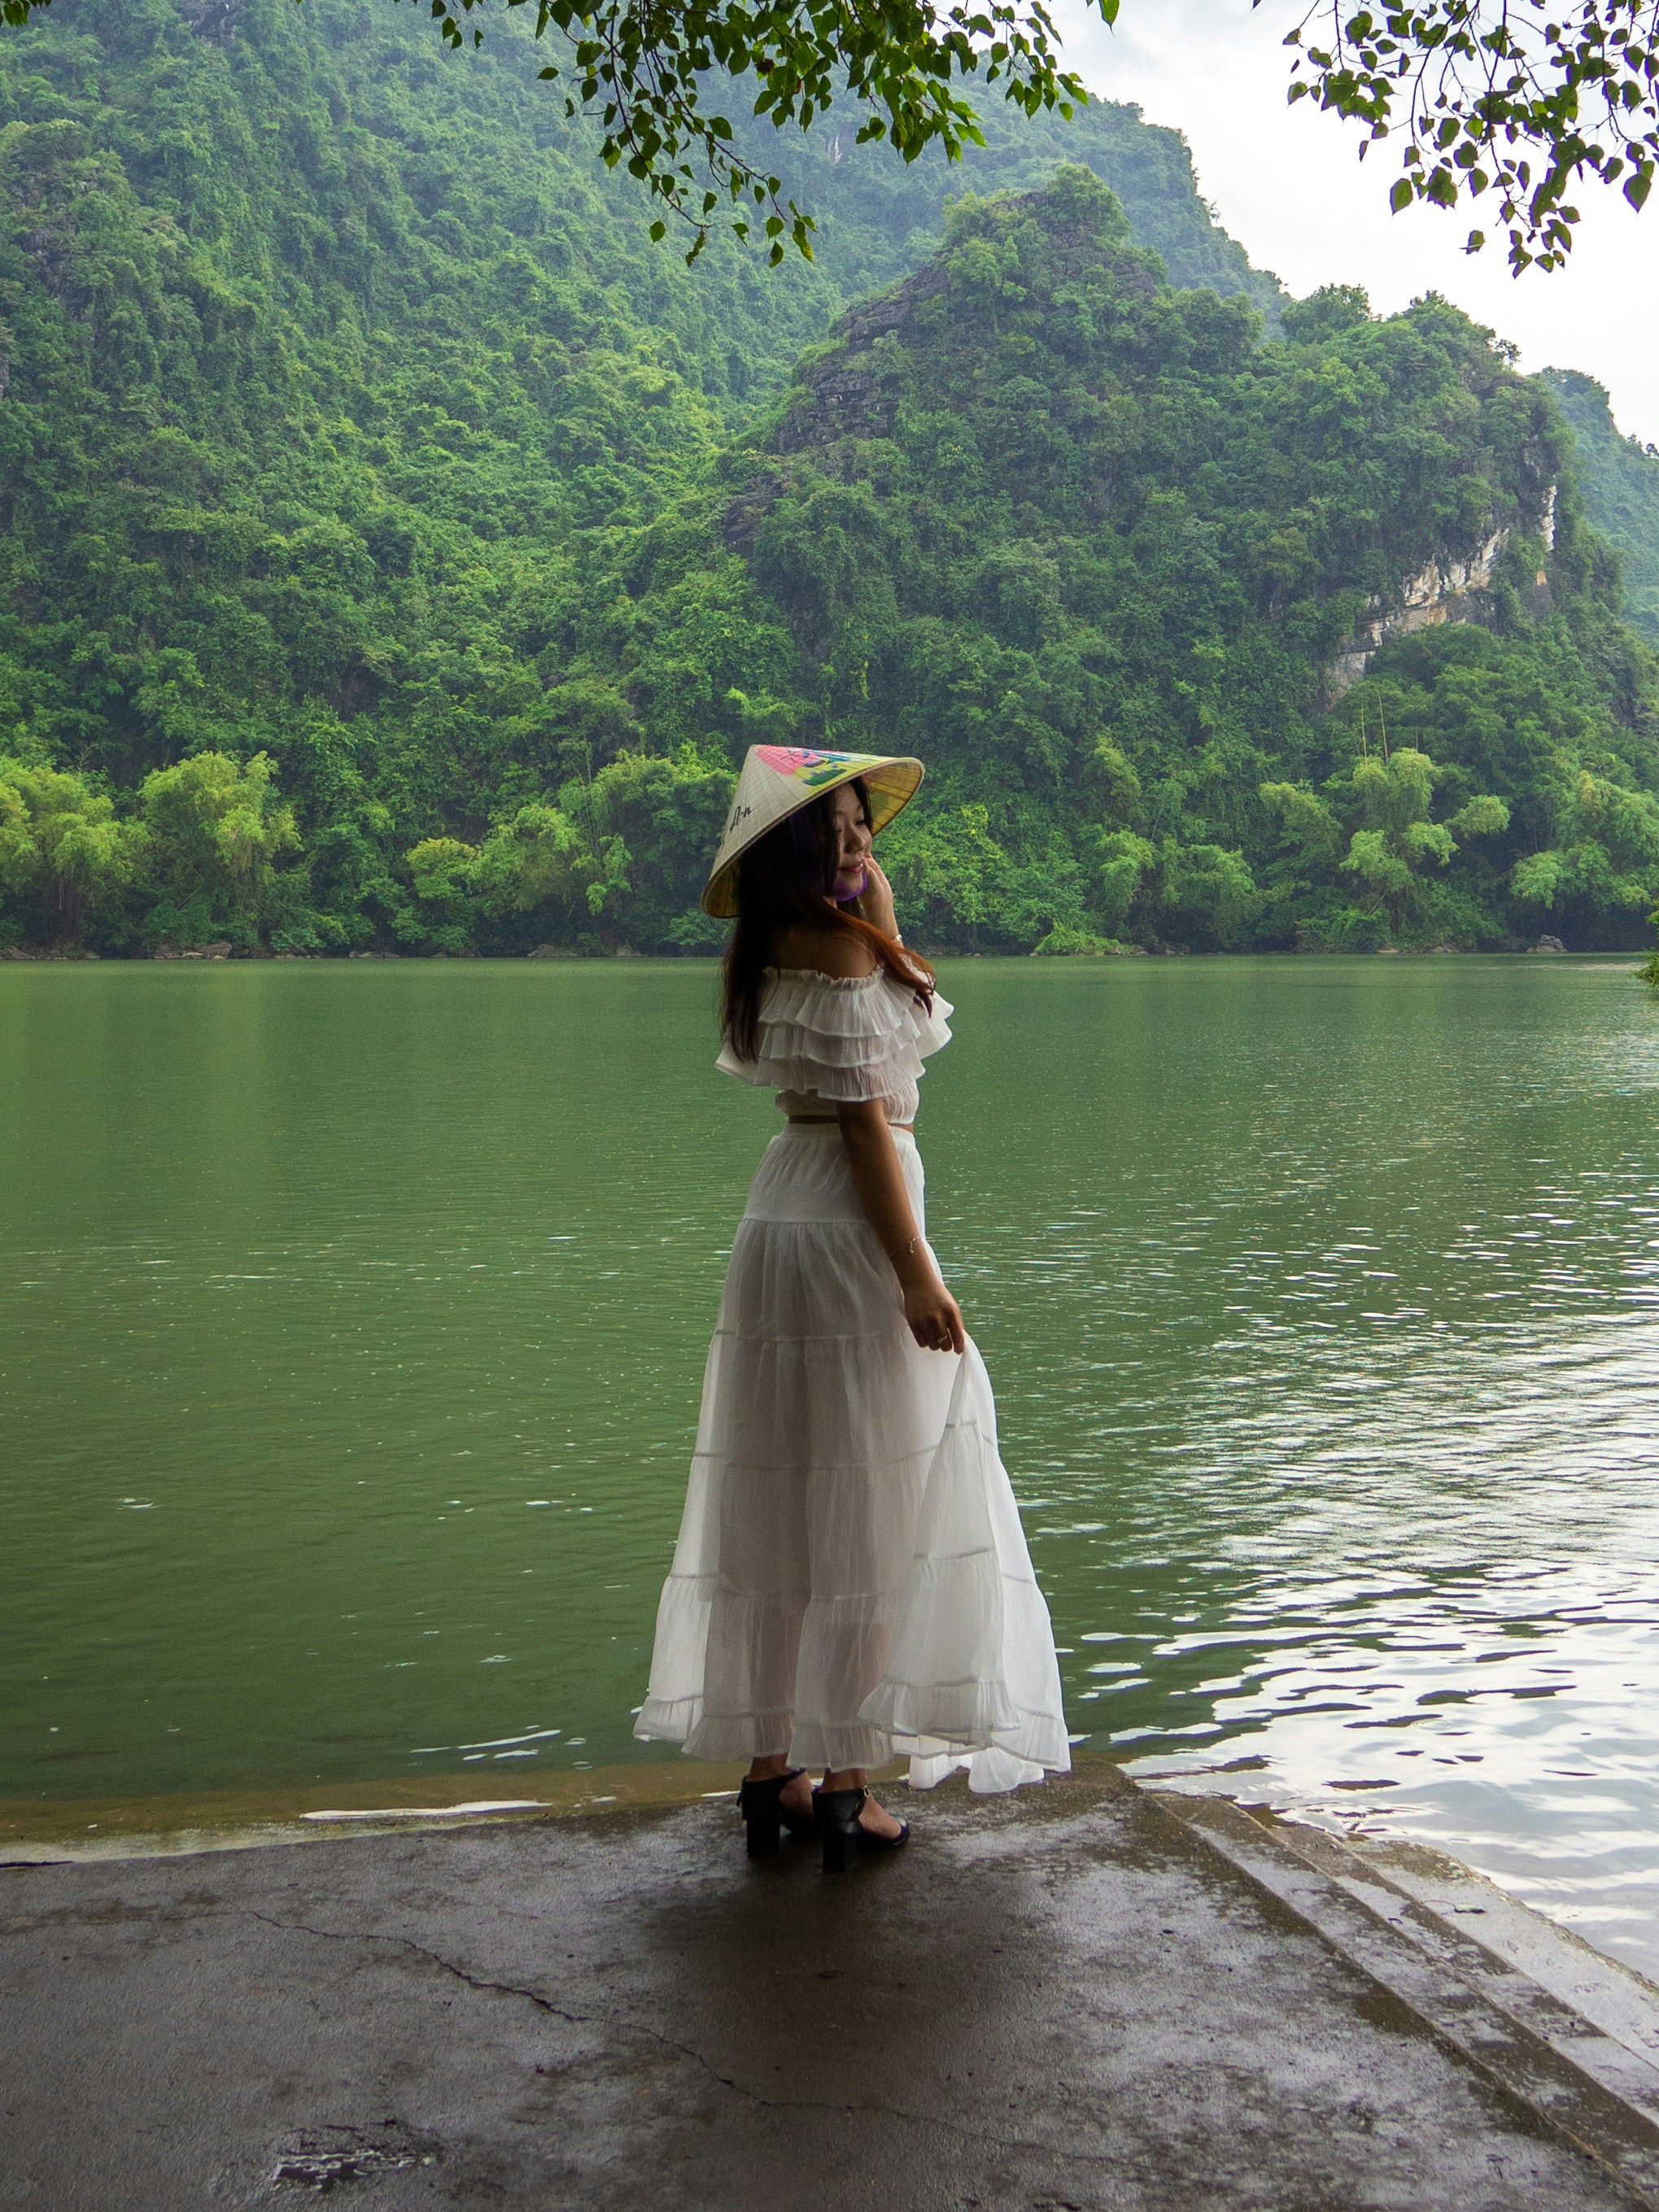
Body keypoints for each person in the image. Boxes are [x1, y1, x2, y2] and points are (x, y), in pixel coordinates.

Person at [635, 745, 1069, 1872]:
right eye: (829, 828)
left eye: (861, 823)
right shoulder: (834, 945)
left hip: (783, 1221)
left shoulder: (770, 944)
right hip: (849, 1229)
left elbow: (857, 1044)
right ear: (789, 850)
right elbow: (873, 1121)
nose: (854, 842)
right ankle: (846, 1786)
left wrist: (872, 893)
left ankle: (771, 1768)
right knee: (875, 1495)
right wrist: (917, 1274)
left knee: (782, 1494)